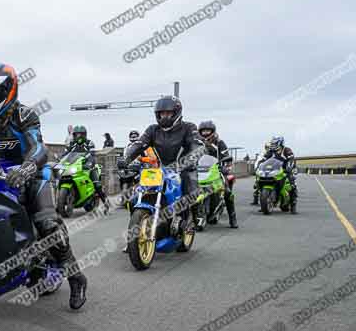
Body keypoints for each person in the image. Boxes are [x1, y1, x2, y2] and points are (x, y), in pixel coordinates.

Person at [0, 62, 88, 309]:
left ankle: (76, 277)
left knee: (46, 222)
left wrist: (28, 167)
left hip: (31, 171)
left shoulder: (25, 115)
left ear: (7, 91)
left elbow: (38, 146)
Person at [118, 96, 205, 230]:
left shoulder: (188, 127)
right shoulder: (153, 129)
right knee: (136, 196)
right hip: (160, 169)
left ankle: (196, 216)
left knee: (190, 186)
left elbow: (197, 144)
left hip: (184, 167)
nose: (165, 116)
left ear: (176, 113)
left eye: (168, 113)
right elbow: (140, 144)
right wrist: (127, 159)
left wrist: (191, 159)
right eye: (162, 113)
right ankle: (136, 229)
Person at [198, 120, 238, 228]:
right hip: (201, 170)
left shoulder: (220, 143)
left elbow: (227, 157)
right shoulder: (197, 143)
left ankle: (232, 218)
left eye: (208, 131)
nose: (205, 133)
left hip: (217, 170)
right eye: (203, 131)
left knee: (227, 192)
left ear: (213, 131)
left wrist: (226, 167)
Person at [64, 125, 111, 211]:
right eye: (77, 134)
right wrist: (60, 161)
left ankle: (106, 202)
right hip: (75, 166)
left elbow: (92, 154)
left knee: (97, 184)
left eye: (81, 134)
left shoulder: (89, 143)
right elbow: (66, 155)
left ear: (84, 134)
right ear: (74, 135)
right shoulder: (71, 143)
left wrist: (89, 163)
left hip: (88, 166)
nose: (79, 136)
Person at [264, 136, 298, 214]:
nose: (273, 145)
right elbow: (265, 159)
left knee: (292, 183)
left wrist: (289, 166)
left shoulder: (287, 150)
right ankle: (265, 203)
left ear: (280, 143)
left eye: (275, 143)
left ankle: (293, 204)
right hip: (275, 169)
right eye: (272, 143)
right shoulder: (270, 151)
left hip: (287, 169)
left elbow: (291, 158)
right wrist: (260, 164)